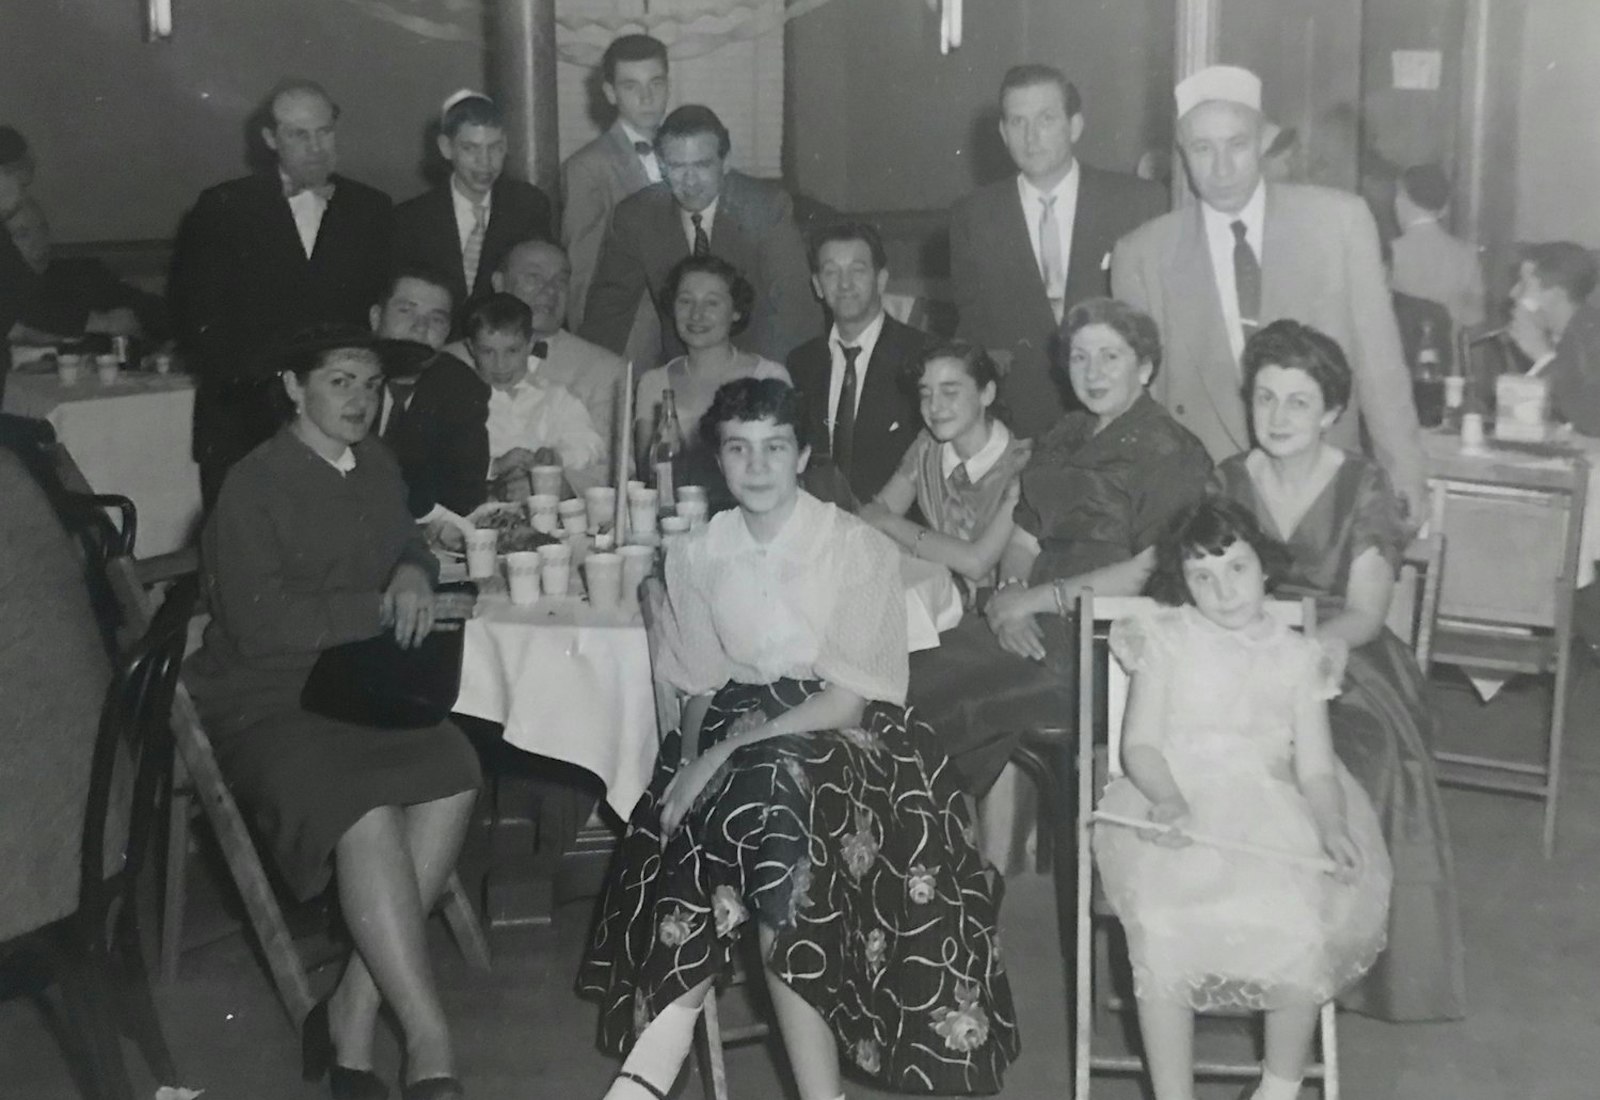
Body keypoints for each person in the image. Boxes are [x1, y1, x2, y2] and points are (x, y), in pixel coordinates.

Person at [578, 377, 1019, 1100]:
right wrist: (689, 760)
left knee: (773, 792)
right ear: (717, 461)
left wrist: (720, 755)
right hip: (741, 732)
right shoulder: (698, 552)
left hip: (849, 736)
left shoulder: (854, 547)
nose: (757, 467)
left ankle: (656, 1056)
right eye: (739, 449)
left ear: (803, 456)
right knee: (765, 810)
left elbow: (847, 701)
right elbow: (700, 683)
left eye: (775, 449)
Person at [185, 326, 481, 1100]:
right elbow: (260, 627)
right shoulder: (252, 483)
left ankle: (352, 1010)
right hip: (267, 697)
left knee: (454, 769)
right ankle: (428, 1040)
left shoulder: (375, 463)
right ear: (294, 386)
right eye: (341, 381)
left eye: (373, 384)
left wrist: (414, 571)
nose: (361, 400)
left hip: (354, 686)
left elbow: (406, 541)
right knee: (365, 807)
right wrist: (380, 608)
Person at [1212, 318, 1466, 1021]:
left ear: (1330, 412)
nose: (1278, 417)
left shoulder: (1363, 483)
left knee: (1352, 762)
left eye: (1298, 402)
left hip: (1344, 658)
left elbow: (1366, 612)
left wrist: (1300, 653)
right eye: (1265, 398)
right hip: (1245, 649)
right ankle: (1235, 948)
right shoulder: (1230, 477)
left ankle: (1340, 960)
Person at [1098, 497, 1391, 1100]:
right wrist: (1169, 800)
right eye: (1202, 577)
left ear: (1265, 568)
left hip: (1268, 810)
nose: (1223, 590)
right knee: (1162, 925)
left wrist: (1333, 825)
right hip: (1178, 802)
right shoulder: (1166, 638)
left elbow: (1315, 770)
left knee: (1299, 927)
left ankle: (1277, 1089)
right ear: (1183, 583)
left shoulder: (1297, 657)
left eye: (1236, 568)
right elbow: (1142, 747)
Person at [907, 299, 1213, 803]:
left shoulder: (1172, 451)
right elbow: (1025, 537)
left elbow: (1151, 572)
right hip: (1029, 623)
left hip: (1103, 643)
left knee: (929, 694)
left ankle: (925, 858)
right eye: (1079, 357)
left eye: (1110, 357)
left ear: (1146, 367)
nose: (1092, 373)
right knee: (906, 668)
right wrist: (1009, 596)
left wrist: (1033, 601)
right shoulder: (1063, 434)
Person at [1112, 64, 1428, 525]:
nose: (1221, 168)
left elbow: (1381, 368)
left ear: (1263, 142)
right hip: (1204, 507)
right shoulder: (1142, 254)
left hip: (1323, 496)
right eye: (1203, 148)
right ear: (1182, 153)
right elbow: (1142, 410)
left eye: (1237, 145)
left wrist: (1405, 476)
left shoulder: (1339, 223)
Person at [171, 79, 393, 505]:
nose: (316, 147)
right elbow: (196, 322)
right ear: (270, 139)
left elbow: (376, 323)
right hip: (245, 427)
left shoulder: (372, 209)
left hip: (342, 422)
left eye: (324, 132)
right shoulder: (223, 207)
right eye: (298, 134)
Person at [950, 64, 1166, 439]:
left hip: (1120, 423)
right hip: (1016, 428)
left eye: (1046, 119)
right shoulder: (973, 216)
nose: (1031, 137)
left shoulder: (1136, 203)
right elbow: (973, 334)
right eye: (1018, 122)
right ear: (1003, 133)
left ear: (1075, 126)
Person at [579, 105, 820, 366]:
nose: (690, 181)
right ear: (661, 165)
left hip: (758, 367)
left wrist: (759, 383)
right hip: (681, 373)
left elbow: (797, 312)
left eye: (702, 165)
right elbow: (607, 314)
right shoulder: (637, 217)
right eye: (677, 166)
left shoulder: (765, 208)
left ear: (725, 162)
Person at [861, 340, 1031, 598]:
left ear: (987, 394)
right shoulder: (927, 447)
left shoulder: (1023, 463)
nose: (934, 406)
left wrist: (889, 523)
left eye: (949, 392)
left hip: (1000, 613)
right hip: (941, 604)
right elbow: (870, 518)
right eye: (925, 394)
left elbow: (976, 563)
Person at [786, 222, 926, 505]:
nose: (845, 284)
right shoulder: (802, 362)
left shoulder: (923, 355)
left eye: (857, 270)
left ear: (882, 279)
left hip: (896, 531)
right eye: (831, 272)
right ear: (817, 286)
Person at [392, 91, 553, 329]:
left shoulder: (528, 205)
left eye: (495, 148)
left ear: (506, 145)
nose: (485, 162)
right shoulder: (411, 218)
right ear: (446, 147)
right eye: (470, 149)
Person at [462, 238, 626, 468]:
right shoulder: (452, 362)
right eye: (533, 277)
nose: (549, 290)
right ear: (499, 283)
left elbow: (612, 466)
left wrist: (555, 481)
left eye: (560, 281)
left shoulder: (606, 370)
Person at [633, 254, 791, 486]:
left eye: (712, 303)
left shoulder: (768, 377)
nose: (696, 315)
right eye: (685, 301)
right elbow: (648, 477)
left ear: (736, 311)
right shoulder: (653, 383)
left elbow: (782, 472)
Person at [561, 33, 670, 343]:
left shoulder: (685, 154)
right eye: (631, 86)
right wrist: (593, 351)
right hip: (629, 337)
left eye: (656, 83)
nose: (647, 98)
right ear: (610, 92)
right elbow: (582, 274)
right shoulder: (587, 167)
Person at [368, 266, 492, 520]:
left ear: (447, 333)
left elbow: (462, 494)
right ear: (376, 317)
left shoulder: (462, 389)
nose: (420, 328)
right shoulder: (340, 377)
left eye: (436, 319)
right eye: (406, 311)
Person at [466, 292, 605, 494]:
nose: (500, 364)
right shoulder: (459, 401)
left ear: (530, 345)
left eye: (512, 351)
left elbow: (590, 444)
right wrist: (495, 466)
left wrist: (556, 457)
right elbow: (446, 460)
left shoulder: (555, 396)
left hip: (545, 506)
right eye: (488, 352)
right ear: (471, 348)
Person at [6, 196, 169, 345]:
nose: (39, 242)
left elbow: (150, 310)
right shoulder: (9, 294)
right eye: (22, 235)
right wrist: (99, 323)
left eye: (43, 230)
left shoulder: (81, 275)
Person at [1507, 241, 1600, 434]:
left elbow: (1592, 422)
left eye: (1523, 284)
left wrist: (1543, 357)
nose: (1513, 293)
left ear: (1554, 294)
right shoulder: (1554, 336)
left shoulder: (1594, 339)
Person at [1388, 164, 1485, 335]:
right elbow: (1475, 318)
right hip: (1448, 356)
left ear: (1401, 200)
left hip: (1398, 358)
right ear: (1444, 209)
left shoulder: (1391, 252)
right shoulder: (1466, 254)